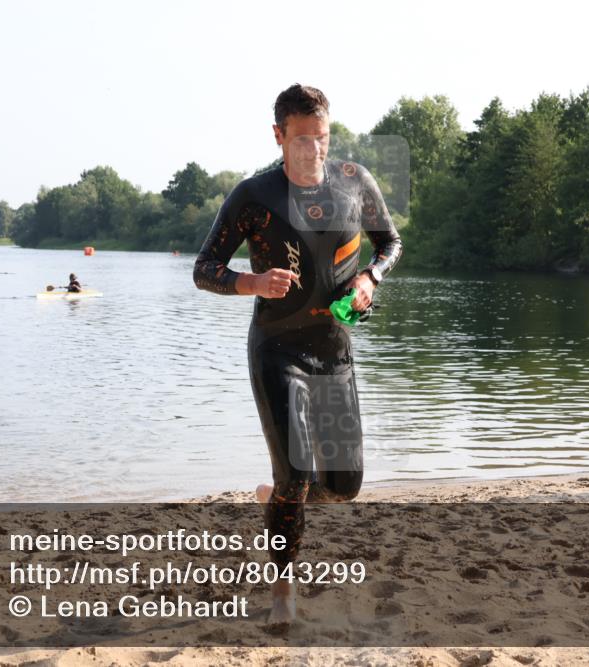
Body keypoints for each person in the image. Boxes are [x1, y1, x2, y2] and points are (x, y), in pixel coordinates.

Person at [193, 84, 402, 625]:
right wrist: (252, 282)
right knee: (298, 472)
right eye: (303, 140)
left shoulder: (355, 183)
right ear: (279, 136)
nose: (315, 151)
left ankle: (281, 492)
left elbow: (390, 243)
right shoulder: (253, 196)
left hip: (334, 351)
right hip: (277, 350)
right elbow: (205, 269)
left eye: (323, 138)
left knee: (344, 486)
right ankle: (282, 587)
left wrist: (370, 279)